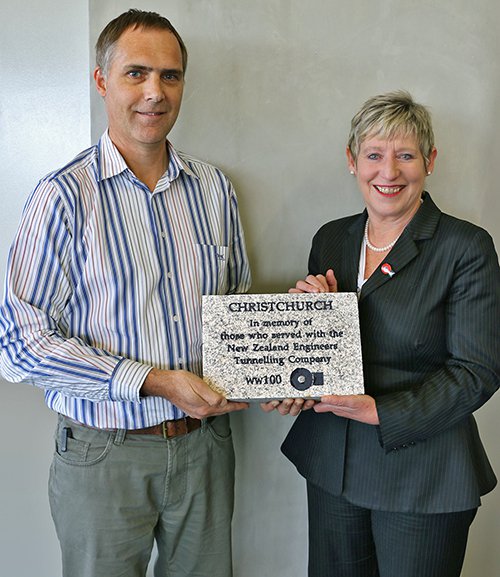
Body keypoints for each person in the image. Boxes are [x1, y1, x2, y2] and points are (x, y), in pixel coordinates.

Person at [0, 9, 251, 577]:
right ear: (101, 81)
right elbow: (19, 342)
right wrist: (154, 382)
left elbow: (234, 305)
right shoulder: (61, 198)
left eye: (170, 75)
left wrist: (286, 363)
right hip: (103, 450)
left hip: (206, 446)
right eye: (136, 73)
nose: (154, 93)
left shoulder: (214, 189)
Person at [264, 91, 500, 577]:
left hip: (423, 472)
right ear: (352, 162)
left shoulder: (466, 247)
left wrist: (379, 411)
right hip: (332, 461)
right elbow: (324, 352)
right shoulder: (331, 238)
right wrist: (294, 381)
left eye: (406, 155)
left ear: (429, 161)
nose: (388, 172)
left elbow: (478, 370)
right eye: (374, 155)